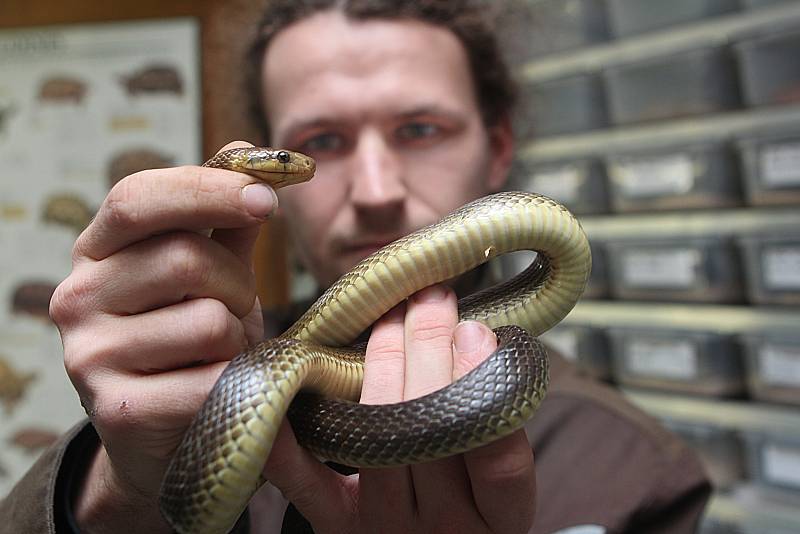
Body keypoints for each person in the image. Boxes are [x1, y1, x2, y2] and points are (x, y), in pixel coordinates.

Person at [1, 1, 711, 533]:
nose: (376, 191)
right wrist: (113, 495)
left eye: (420, 129)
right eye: (323, 140)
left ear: (497, 149)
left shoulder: (634, 469)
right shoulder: (189, 387)